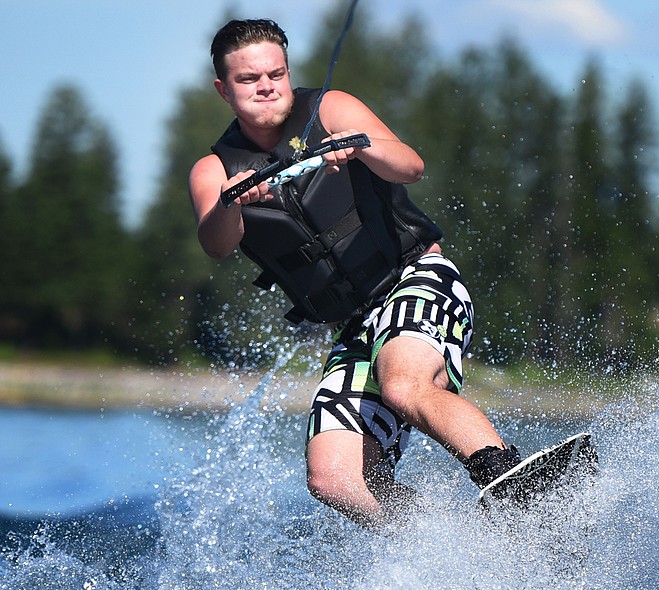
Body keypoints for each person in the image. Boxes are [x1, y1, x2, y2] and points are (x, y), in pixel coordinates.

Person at [189, 18, 526, 530]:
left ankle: (517, 486)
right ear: (223, 89)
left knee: (404, 386)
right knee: (333, 477)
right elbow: (216, 242)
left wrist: (364, 143)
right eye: (248, 79)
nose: (266, 86)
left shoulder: (329, 108)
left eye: (275, 74)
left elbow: (411, 165)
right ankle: (447, 544)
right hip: (356, 324)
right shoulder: (213, 169)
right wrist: (233, 201)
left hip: (417, 278)